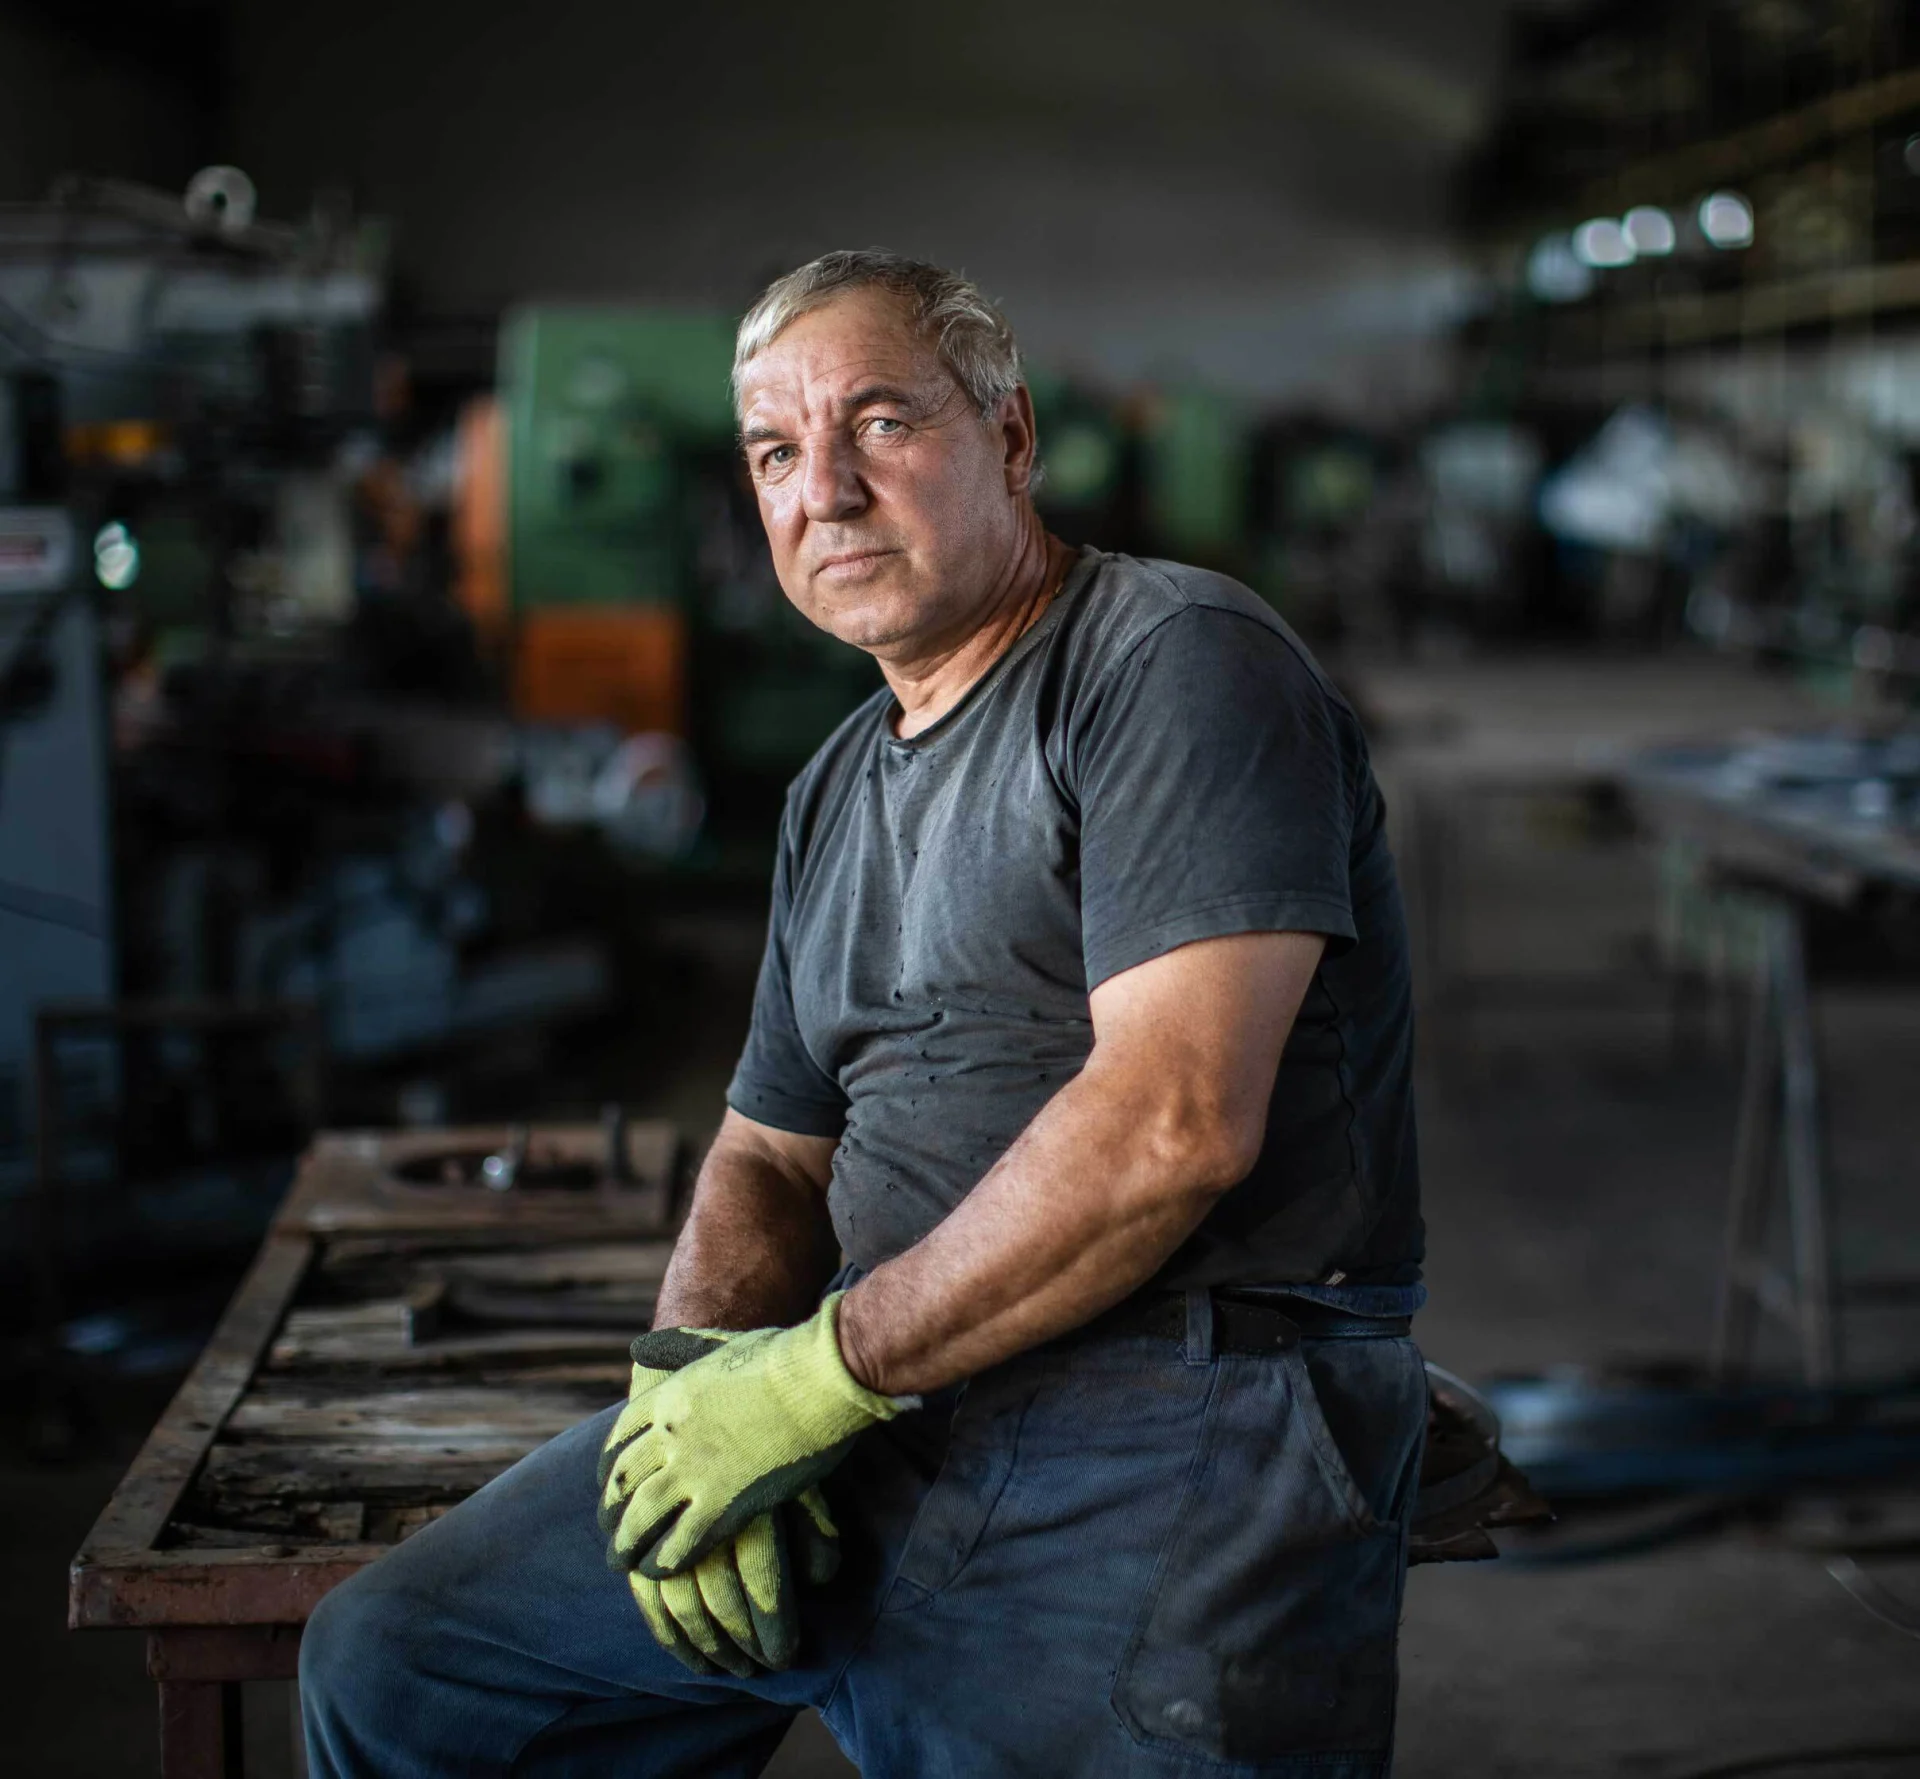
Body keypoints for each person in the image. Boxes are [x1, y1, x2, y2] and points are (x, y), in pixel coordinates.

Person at [299, 250, 1427, 1778]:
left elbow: (1173, 1123)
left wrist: (820, 1376)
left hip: (1172, 1414)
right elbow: (770, 1152)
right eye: (775, 450)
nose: (821, 489)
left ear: (1013, 440)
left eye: (880, 424)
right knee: (401, 1667)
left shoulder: (1172, 664)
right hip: (882, 1403)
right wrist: (698, 1385)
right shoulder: (836, 783)